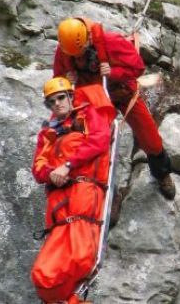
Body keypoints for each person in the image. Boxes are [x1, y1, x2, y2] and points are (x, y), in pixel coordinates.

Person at [53, 17, 176, 200]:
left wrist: (113, 72)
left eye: (80, 52)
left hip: (123, 93)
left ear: (87, 39)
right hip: (95, 100)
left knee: (150, 138)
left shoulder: (111, 42)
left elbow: (138, 68)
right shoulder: (65, 51)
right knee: (97, 145)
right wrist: (66, 81)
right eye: (74, 55)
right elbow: (57, 82)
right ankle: (108, 192)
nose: (77, 57)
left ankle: (162, 173)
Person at [30, 76, 115, 304]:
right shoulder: (47, 134)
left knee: (80, 259)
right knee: (43, 276)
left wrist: (68, 165)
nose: (57, 104)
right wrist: (53, 173)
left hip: (83, 197)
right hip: (59, 208)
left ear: (70, 96)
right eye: (51, 102)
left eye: (60, 98)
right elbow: (38, 168)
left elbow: (100, 139)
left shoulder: (87, 115)